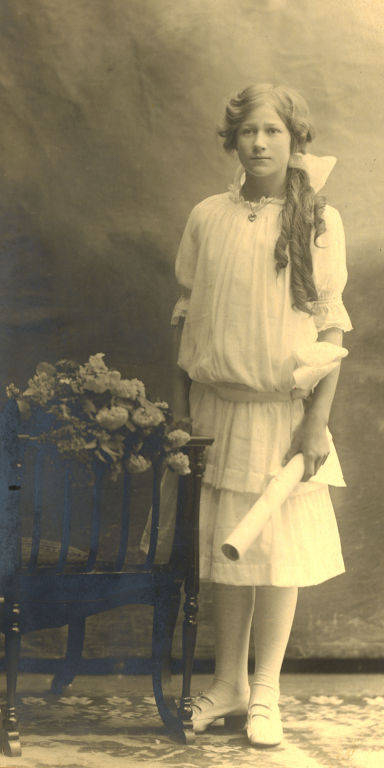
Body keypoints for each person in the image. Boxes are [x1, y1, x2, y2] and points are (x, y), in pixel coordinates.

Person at [170, 83, 352, 748]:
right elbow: (189, 319)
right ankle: (227, 685)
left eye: (273, 131)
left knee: (276, 555)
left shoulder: (319, 223)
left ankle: (267, 689)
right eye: (248, 131)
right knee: (228, 558)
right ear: (232, 140)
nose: (260, 143)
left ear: (295, 138)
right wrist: (187, 413)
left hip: (285, 414)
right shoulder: (208, 217)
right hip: (218, 409)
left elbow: (330, 334)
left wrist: (316, 423)